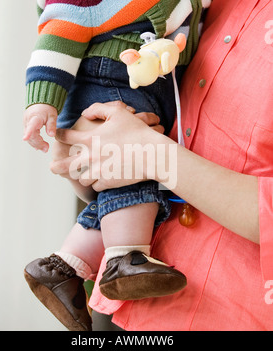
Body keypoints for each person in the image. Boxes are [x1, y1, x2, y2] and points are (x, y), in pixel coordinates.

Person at [49, 0, 273, 331]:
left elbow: (150, 153)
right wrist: (89, 155)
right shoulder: (199, 7)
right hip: (141, 307)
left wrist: (149, 153)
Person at [23, 0, 211, 331]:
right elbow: (62, 25)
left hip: (140, 80)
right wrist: (42, 100)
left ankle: (64, 267)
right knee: (133, 171)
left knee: (124, 176)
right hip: (109, 77)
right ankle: (125, 257)